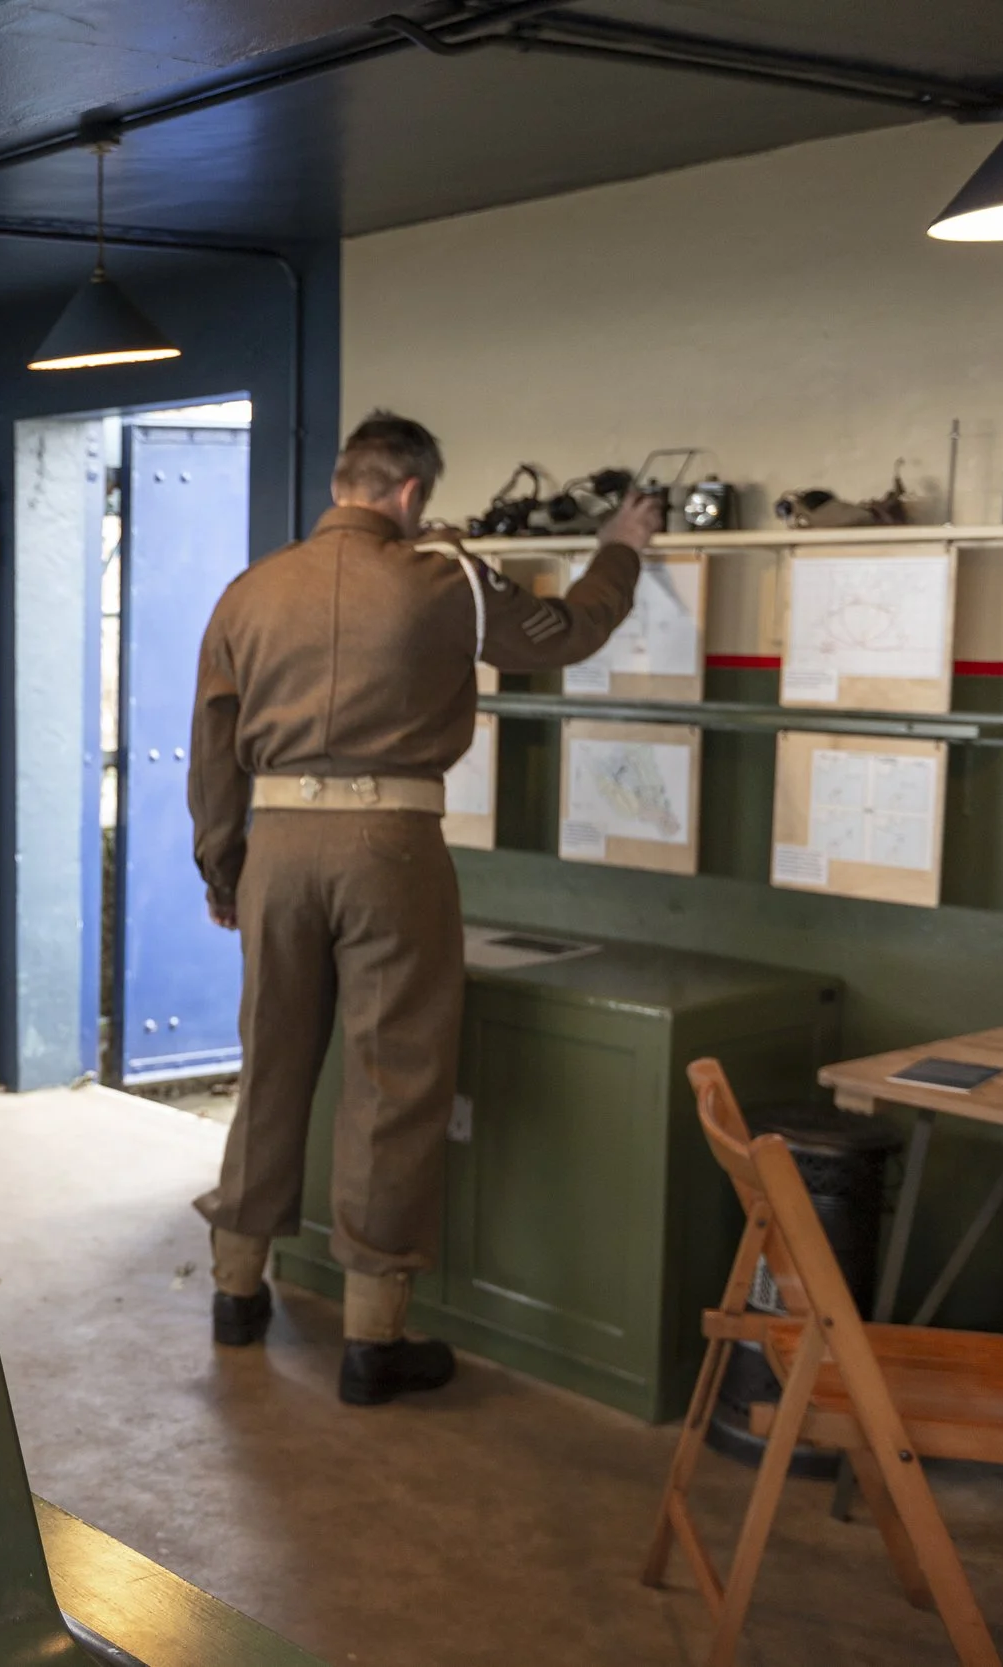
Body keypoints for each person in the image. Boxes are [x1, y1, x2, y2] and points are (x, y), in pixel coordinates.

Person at [187, 410, 661, 1405]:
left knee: (270, 1060)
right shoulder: (443, 576)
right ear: (409, 494)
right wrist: (618, 551)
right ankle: (372, 1340)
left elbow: (211, 745)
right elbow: (564, 634)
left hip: (274, 847)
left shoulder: (247, 589)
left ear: (342, 482)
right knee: (391, 1077)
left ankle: (235, 1292)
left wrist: (223, 869)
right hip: (389, 847)